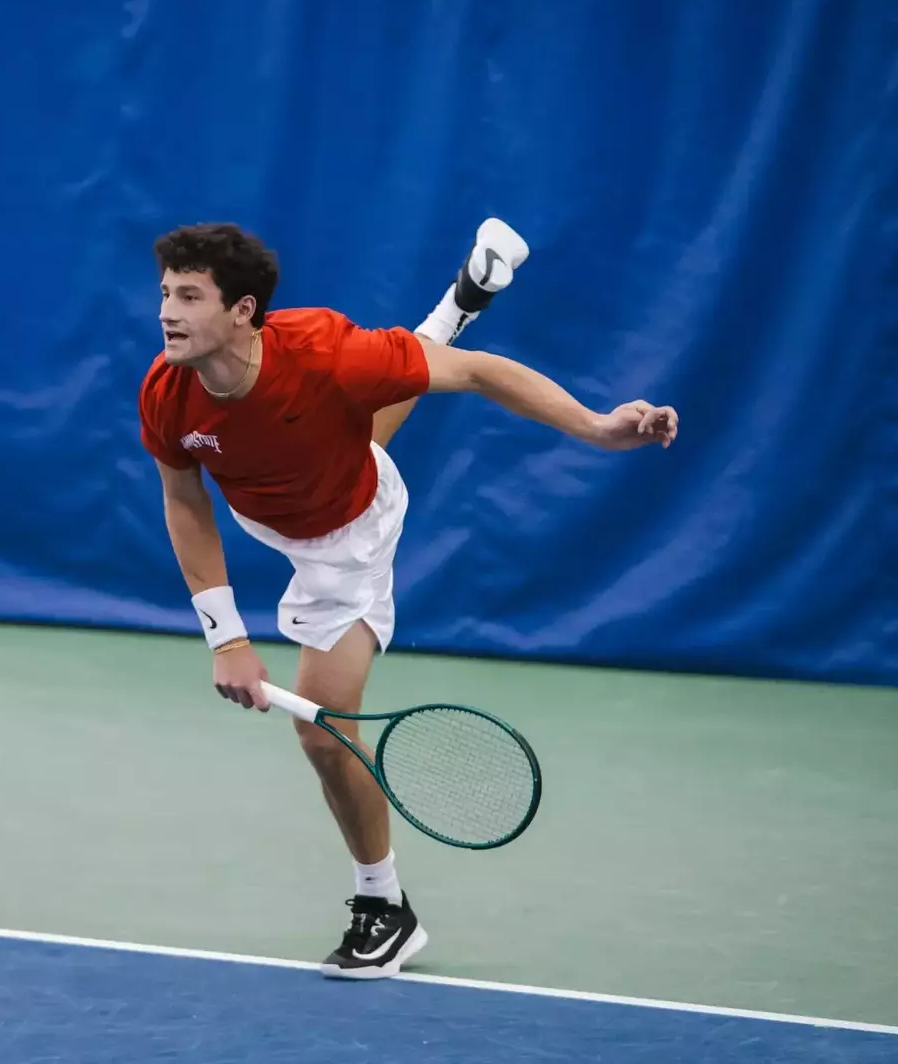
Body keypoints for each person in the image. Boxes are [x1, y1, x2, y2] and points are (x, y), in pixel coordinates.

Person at [135, 219, 678, 980]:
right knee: (362, 416)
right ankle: (465, 297)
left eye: (189, 296)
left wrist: (597, 426)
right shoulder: (167, 390)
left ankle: (385, 909)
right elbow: (183, 501)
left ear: (243, 311)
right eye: (164, 293)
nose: (167, 311)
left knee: (325, 737)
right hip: (277, 503)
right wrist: (225, 636)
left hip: (350, 538)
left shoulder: (325, 352)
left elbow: (483, 376)